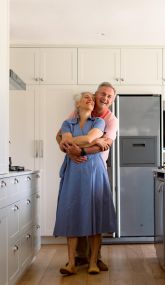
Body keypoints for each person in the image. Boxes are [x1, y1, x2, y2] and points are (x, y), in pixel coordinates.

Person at [56, 82, 118, 271]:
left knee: (94, 212)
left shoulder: (108, 120)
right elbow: (60, 137)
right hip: (74, 166)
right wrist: (67, 149)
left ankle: (94, 259)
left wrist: (80, 149)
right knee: (75, 211)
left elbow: (102, 144)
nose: (104, 98)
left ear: (112, 100)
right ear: (95, 94)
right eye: (101, 94)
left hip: (95, 167)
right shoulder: (72, 117)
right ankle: (76, 260)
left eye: (109, 96)